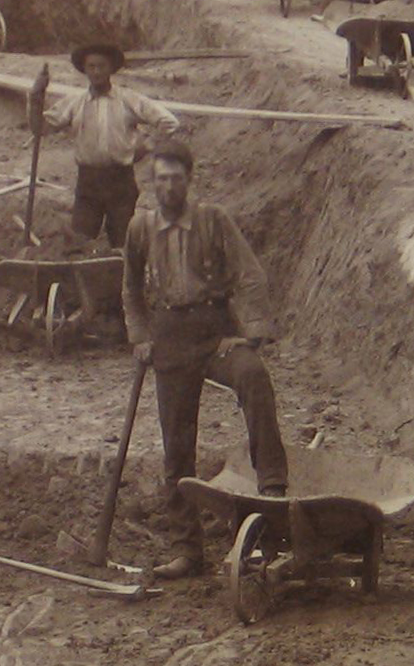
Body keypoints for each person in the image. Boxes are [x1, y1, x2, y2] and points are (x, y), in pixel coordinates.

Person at [121, 140, 286, 580]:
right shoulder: (140, 229)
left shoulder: (213, 221)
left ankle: (273, 488)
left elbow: (250, 274)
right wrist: (139, 336)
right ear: (151, 183)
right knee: (177, 445)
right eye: (161, 179)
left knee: (253, 377)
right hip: (169, 336)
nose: (169, 186)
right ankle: (187, 550)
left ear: (189, 180)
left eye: (177, 178)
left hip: (214, 331)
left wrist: (250, 334)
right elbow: (131, 289)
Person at [30, 43, 180, 249]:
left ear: (111, 69)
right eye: (91, 66)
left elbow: (169, 122)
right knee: (78, 243)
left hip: (120, 182)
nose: (97, 72)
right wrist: (36, 96)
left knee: (124, 245)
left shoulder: (128, 99)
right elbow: (40, 128)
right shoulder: (75, 103)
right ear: (85, 70)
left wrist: (146, 145)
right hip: (88, 183)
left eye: (102, 66)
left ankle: (125, 281)